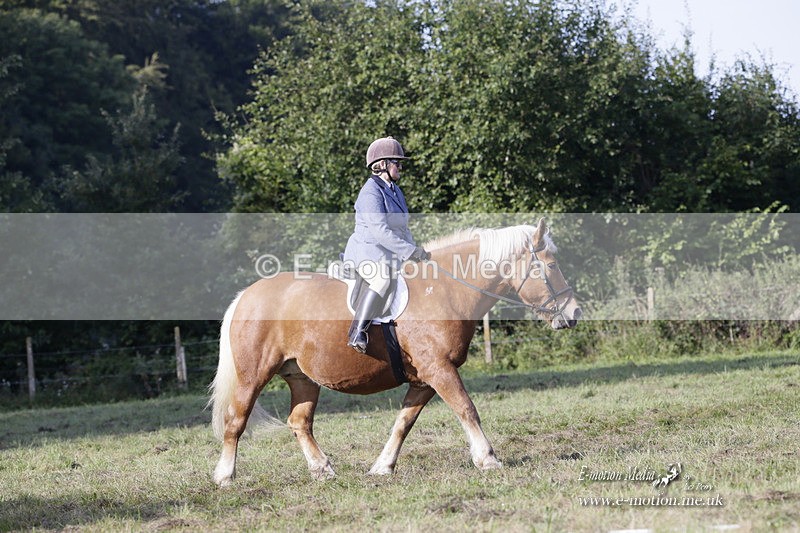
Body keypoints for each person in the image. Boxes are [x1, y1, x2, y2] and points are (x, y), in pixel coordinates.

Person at [343, 136, 430, 353]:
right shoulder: (370, 192)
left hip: (388, 253)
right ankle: (357, 332)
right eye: (396, 162)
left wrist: (416, 252)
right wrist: (409, 251)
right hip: (367, 252)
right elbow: (379, 231)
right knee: (382, 278)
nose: (400, 166)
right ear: (382, 164)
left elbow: (403, 227)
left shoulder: (395, 190)